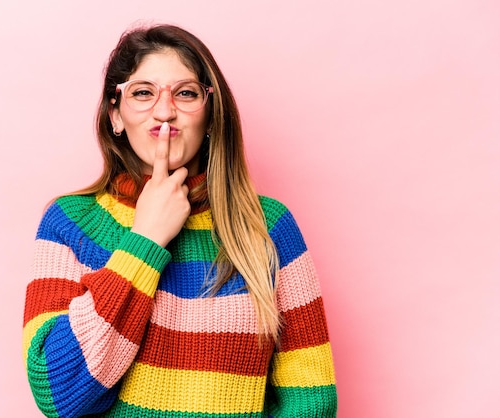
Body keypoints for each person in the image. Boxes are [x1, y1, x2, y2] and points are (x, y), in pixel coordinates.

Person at [22, 24, 337, 417]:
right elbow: (59, 393)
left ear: (210, 116)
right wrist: (146, 239)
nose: (165, 110)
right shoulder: (70, 223)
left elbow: (311, 400)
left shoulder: (269, 227)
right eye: (142, 93)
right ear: (115, 115)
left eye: (185, 93)